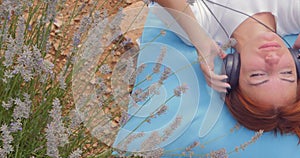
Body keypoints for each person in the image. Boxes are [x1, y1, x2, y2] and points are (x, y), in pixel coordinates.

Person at [154, 0, 300, 140]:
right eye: (287, 73)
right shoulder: (294, 16)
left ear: (232, 73)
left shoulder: (199, 25)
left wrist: (199, 39)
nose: (273, 60)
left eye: (258, 75)